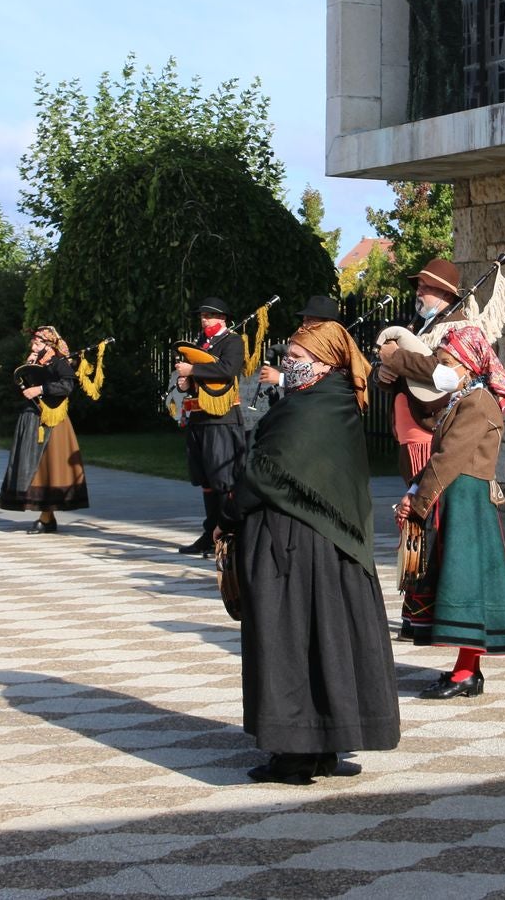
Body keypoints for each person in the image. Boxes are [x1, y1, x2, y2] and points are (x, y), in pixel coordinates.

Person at [222, 318, 400, 784]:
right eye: (289, 356)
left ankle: (295, 753)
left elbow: (267, 471)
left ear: (325, 362)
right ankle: (321, 745)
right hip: (326, 546)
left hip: (294, 544)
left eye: (297, 358)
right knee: (323, 639)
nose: (288, 364)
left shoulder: (312, 408)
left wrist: (230, 509)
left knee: (290, 637)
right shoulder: (333, 400)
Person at [395, 325, 505, 699]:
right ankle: (465, 670)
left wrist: (418, 502)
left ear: (468, 365)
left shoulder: (477, 403)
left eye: (447, 362)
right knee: (460, 581)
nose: (440, 368)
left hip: (466, 503)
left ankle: (466, 673)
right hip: (454, 499)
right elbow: (440, 455)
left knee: (466, 583)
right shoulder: (462, 399)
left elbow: (449, 457)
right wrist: (413, 492)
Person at [0, 326, 90, 532]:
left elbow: (67, 387)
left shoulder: (59, 362)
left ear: (49, 344)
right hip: (31, 417)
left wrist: (40, 389)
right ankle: (46, 516)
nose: (33, 345)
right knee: (31, 464)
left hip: (52, 421)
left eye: (38, 342)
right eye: (33, 342)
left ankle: (47, 515)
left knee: (49, 466)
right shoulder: (36, 361)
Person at [174, 297, 246, 557]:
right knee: (205, 478)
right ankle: (209, 532)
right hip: (199, 417)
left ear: (223, 319)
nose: (205, 320)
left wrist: (193, 368)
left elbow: (228, 370)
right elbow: (197, 379)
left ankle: (227, 532)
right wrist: (186, 382)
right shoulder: (200, 343)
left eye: (210, 316)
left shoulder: (233, 341)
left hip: (221, 418)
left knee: (223, 478)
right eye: (203, 316)